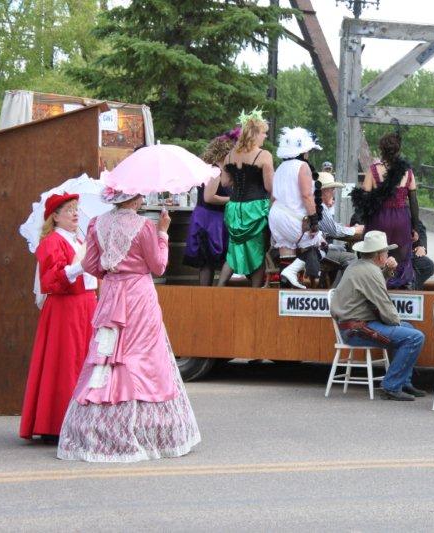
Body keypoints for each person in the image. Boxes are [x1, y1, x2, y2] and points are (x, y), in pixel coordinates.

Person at [57, 189, 200, 462]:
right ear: (134, 199)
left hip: (111, 295)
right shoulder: (144, 226)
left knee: (108, 357)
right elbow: (158, 266)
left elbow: (90, 264)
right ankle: (146, 427)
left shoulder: (97, 223)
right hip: (137, 297)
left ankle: (99, 424)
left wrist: (112, 272)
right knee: (143, 357)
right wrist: (163, 233)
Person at [19, 193, 98, 444]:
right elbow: (51, 280)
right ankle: (56, 423)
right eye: (69, 210)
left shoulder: (79, 239)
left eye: (76, 209)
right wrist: (81, 265)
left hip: (85, 304)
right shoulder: (52, 242)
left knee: (83, 361)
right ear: (55, 216)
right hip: (66, 308)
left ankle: (80, 419)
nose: (75, 214)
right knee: (65, 363)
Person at [330, 231, 425, 401]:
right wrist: (395, 322)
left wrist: (387, 271)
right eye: (386, 252)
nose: (388, 254)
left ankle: (403, 381)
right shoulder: (370, 272)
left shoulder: (358, 265)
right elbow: (385, 305)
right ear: (380, 255)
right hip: (357, 329)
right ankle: (392, 386)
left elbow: (373, 287)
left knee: (408, 329)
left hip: (352, 326)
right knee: (414, 337)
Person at [351, 132, 419, 289]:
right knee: (400, 257)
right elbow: (414, 201)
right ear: (398, 150)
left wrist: (359, 221)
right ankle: (397, 288)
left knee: (375, 253)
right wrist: (415, 228)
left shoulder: (374, 170)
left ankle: (376, 285)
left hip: (379, 218)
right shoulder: (407, 171)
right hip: (401, 219)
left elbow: (364, 199)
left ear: (381, 149)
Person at [218, 109, 274, 288]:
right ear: (256, 133)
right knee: (257, 249)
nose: (265, 136)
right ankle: (255, 293)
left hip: (235, 208)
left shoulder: (230, 155)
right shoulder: (264, 155)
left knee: (234, 249)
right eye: (264, 132)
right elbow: (269, 187)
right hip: (255, 209)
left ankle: (219, 288)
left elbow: (225, 182)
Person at [269, 127, 324, 288]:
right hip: (294, 218)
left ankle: (285, 295)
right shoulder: (302, 166)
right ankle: (291, 272)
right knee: (320, 245)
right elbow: (307, 195)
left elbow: (272, 197)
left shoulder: (280, 168)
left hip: (276, 215)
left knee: (286, 255)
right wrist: (314, 220)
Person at [183, 129, 236, 286]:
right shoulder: (215, 171)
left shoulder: (214, 169)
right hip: (209, 219)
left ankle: (208, 294)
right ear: (224, 152)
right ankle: (206, 295)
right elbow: (209, 197)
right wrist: (232, 200)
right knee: (207, 261)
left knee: (209, 262)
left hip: (209, 217)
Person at [317, 171, 364, 286]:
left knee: (341, 250)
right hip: (315, 251)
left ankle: (330, 287)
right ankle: (338, 292)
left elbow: (332, 227)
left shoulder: (318, 205)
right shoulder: (320, 207)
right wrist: (354, 230)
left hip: (313, 248)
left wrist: (352, 228)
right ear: (323, 191)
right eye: (331, 189)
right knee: (351, 257)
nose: (333, 192)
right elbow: (334, 230)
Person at [411, 220, 434, 290]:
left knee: (429, 265)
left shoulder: (408, 212)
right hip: (389, 252)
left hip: (409, 252)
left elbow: (419, 226)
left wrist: (421, 246)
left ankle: (413, 288)